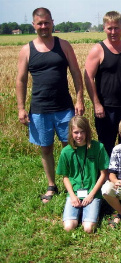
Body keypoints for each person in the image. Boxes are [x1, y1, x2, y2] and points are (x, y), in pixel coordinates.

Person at [15, 7, 85, 203]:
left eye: (47, 22)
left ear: (52, 22)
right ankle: (52, 185)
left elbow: (76, 73)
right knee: (45, 149)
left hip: (64, 108)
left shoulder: (63, 45)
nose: (43, 26)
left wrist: (79, 99)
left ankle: (75, 182)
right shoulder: (27, 50)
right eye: (40, 23)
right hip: (39, 109)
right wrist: (21, 108)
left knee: (70, 147)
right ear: (34, 25)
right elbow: (20, 80)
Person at [85, 11, 121, 156]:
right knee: (106, 144)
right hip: (106, 108)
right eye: (110, 28)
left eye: (116, 28)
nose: (113, 32)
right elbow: (88, 77)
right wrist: (96, 104)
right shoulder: (98, 50)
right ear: (104, 28)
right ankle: (106, 176)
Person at [57, 116, 109, 233]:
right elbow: (65, 177)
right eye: (76, 132)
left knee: (88, 228)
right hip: (74, 192)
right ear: (71, 132)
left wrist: (91, 195)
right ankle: (78, 212)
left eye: (82, 132)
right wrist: (73, 196)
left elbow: (103, 174)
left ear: (87, 132)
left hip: (92, 192)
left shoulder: (98, 147)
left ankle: (93, 211)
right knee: (69, 227)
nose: (79, 136)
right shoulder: (66, 151)